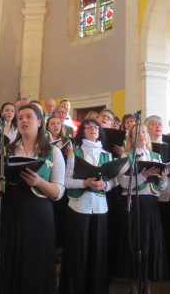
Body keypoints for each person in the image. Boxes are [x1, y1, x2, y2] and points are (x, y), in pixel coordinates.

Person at [0, 104, 65, 293]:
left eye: (28, 117)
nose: (23, 121)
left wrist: (38, 182)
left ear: (39, 122)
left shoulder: (53, 152)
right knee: (8, 261)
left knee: (35, 264)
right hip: (10, 212)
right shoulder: (6, 150)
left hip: (39, 215)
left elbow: (58, 193)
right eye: (20, 118)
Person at [59, 118, 115, 294]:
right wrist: (85, 182)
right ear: (82, 132)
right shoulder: (75, 153)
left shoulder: (107, 155)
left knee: (98, 253)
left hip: (100, 207)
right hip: (78, 206)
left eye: (96, 127)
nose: (93, 129)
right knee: (77, 253)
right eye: (89, 127)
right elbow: (66, 181)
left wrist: (105, 185)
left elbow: (114, 181)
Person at [118, 124, 170, 294]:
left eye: (144, 132)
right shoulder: (127, 156)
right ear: (131, 138)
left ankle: (147, 288)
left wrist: (163, 178)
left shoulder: (155, 155)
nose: (142, 135)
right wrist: (143, 176)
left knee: (151, 244)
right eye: (137, 132)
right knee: (135, 243)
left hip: (152, 203)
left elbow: (163, 188)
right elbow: (123, 182)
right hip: (135, 202)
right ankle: (133, 287)